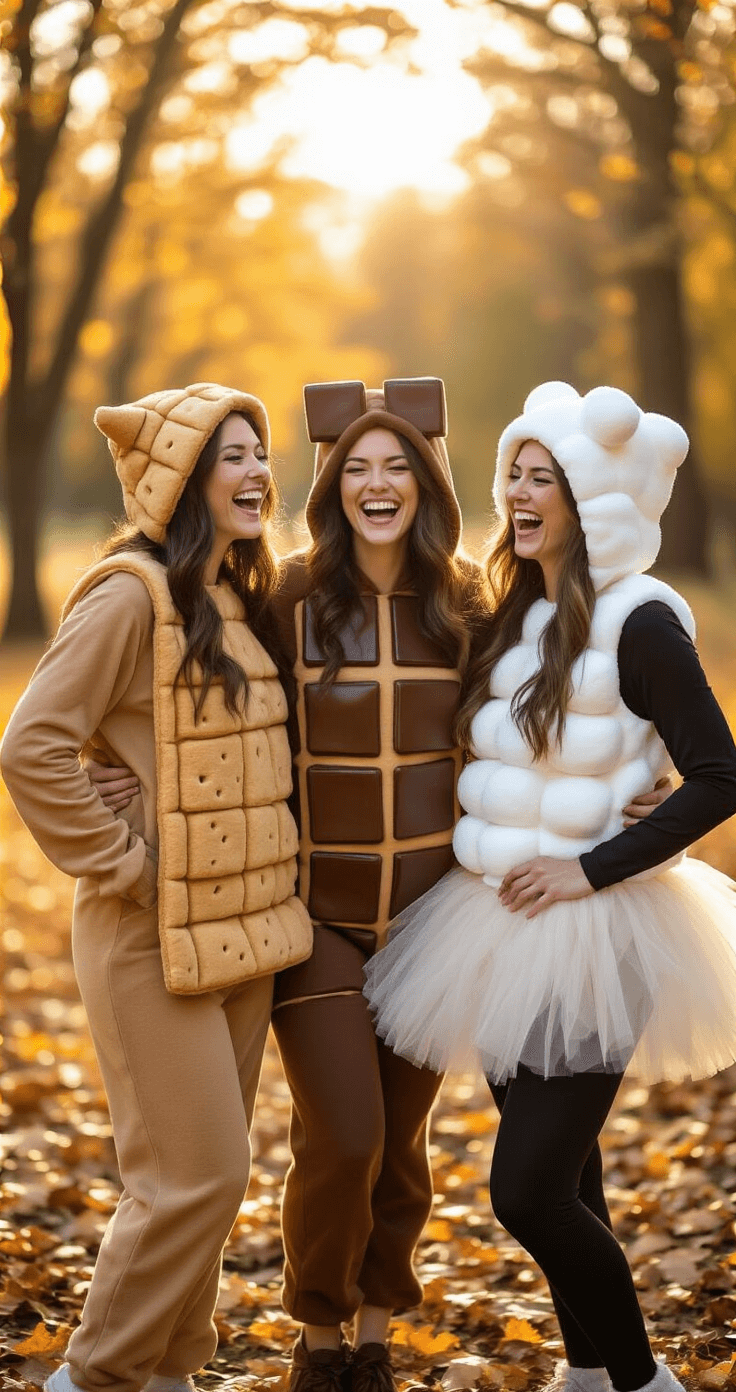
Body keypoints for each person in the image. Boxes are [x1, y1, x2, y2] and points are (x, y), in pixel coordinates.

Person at [89, 378, 670, 1392]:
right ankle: (316, 1339)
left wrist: (643, 771)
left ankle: (372, 1334)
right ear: (332, 486)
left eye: (396, 464)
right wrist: (121, 764)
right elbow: (191, 684)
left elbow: (571, 682)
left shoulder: (471, 601)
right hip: (312, 919)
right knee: (343, 1135)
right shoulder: (286, 597)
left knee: (401, 1144)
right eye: (355, 466)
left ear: (427, 480)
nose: (376, 482)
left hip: (431, 922)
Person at [364, 381, 736, 1392]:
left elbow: (718, 773)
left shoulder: (641, 623)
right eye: (514, 475)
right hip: (493, 928)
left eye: (546, 477)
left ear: (593, 498)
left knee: (524, 1192)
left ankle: (640, 1380)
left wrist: (590, 864)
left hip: (599, 929)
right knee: (572, 1178)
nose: (521, 493)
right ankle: (586, 1374)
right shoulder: (508, 611)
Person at [0, 382, 312, 1392]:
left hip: (244, 934)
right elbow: (33, 745)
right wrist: (128, 866)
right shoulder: (128, 592)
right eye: (230, 455)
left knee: (212, 1194)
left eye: (260, 451)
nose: (257, 470)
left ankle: (172, 1373)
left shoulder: (238, 591)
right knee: (190, 1180)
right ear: (179, 476)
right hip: (148, 936)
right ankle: (92, 1377)